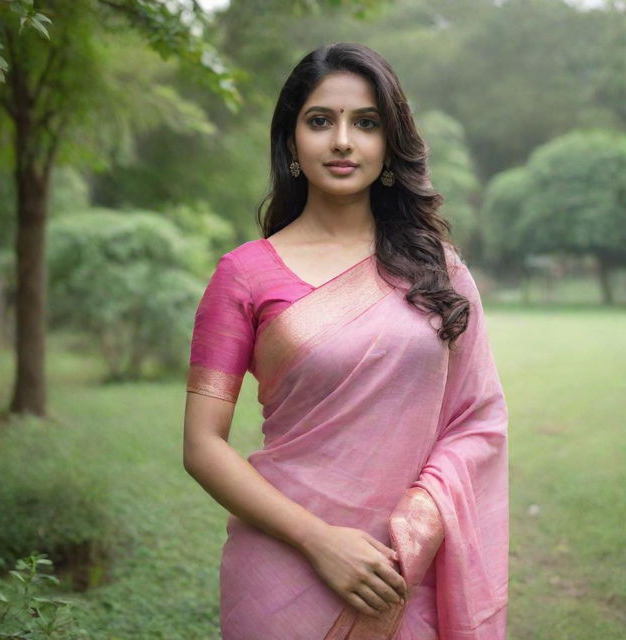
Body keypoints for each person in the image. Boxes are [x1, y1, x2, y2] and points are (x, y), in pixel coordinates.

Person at [183, 42, 509, 640]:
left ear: (389, 143)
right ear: (290, 141)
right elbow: (202, 447)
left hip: (404, 567)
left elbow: (477, 419)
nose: (342, 141)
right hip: (283, 565)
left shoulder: (437, 271)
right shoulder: (244, 274)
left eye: (365, 123)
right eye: (319, 121)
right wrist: (319, 541)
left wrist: (412, 531)